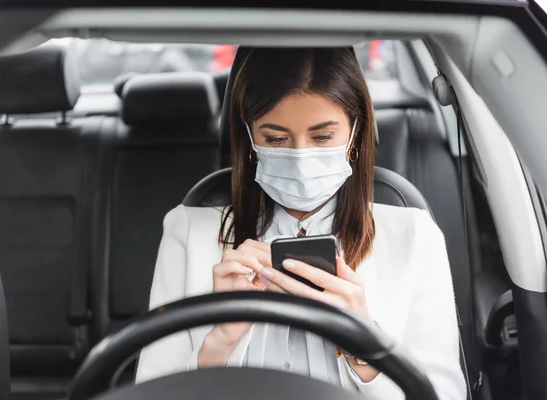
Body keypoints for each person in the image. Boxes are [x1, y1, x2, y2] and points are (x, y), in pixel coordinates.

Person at [135, 47, 466, 400]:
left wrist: (365, 344)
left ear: (355, 134)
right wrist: (220, 341)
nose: (300, 158)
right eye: (275, 139)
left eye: (322, 137)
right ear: (249, 140)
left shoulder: (414, 237)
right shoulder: (188, 231)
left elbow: (443, 395)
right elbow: (151, 389)